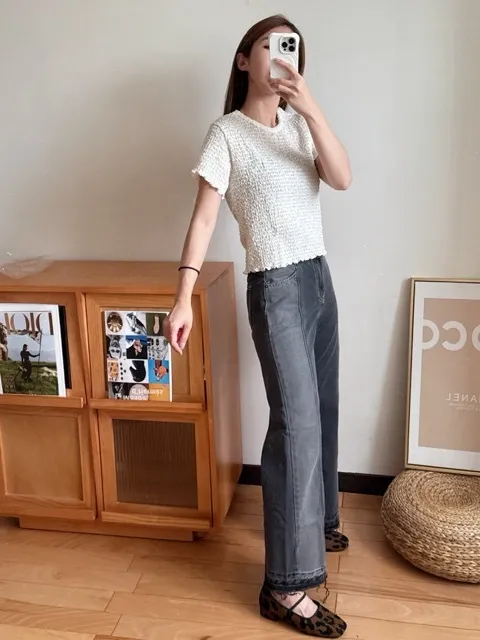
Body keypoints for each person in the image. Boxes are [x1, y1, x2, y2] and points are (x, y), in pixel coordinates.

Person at [164, 14, 352, 638]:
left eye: (291, 48)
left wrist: (312, 107)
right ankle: (285, 587)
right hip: (275, 288)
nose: (281, 56)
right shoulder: (226, 133)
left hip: (318, 280)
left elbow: (342, 178)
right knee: (296, 425)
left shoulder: (301, 125)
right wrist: (183, 297)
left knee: (323, 408)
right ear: (245, 59)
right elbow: (202, 220)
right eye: (269, 45)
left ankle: (319, 521)